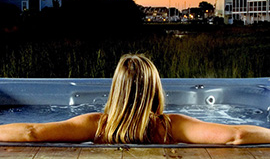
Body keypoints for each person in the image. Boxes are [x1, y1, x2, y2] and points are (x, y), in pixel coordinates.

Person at [0, 53, 270, 144]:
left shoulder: (97, 125)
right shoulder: (169, 126)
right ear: (155, 90)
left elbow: (31, 133)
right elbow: (237, 136)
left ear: (116, 90)